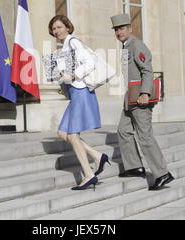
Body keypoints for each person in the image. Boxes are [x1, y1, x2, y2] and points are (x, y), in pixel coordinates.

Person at [111, 13, 174, 191]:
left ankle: (162, 173)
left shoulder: (137, 45)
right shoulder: (126, 47)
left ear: (130, 28)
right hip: (130, 99)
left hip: (140, 100)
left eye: (122, 28)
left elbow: (148, 70)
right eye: (116, 29)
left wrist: (145, 93)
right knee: (123, 131)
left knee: (144, 136)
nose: (119, 32)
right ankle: (134, 167)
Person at [48, 15, 110, 191]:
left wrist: (73, 75)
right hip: (75, 92)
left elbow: (90, 63)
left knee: (73, 135)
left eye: (59, 27)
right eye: (53, 29)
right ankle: (97, 156)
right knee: (62, 132)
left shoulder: (73, 42)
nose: (56, 31)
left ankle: (88, 174)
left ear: (68, 27)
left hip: (81, 91)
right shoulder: (63, 48)